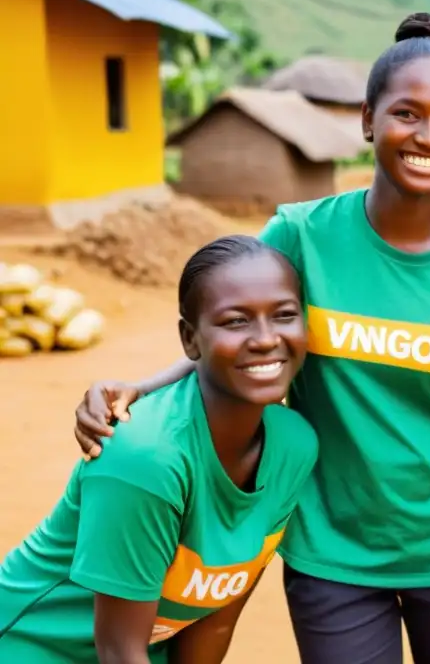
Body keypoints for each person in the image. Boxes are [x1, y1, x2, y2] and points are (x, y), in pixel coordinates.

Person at [71, 13, 430, 664]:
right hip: (331, 548)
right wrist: (138, 386)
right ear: (367, 120)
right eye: (407, 113)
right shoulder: (302, 233)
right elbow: (236, 336)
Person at [0, 235, 319, 663]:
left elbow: (216, 617)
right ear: (190, 340)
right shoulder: (146, 458)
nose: (266, 338)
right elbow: (118, 649)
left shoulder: (293, 446)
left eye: (284, 316)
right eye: (235, 321)